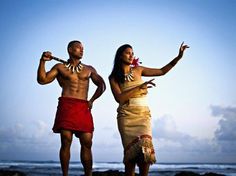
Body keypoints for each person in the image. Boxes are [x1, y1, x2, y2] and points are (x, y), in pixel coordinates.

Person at [109, 42, 189, 176]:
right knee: (130, 157)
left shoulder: (139, 70)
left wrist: (178, 57)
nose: (131, 55)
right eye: (128, 53)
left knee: (145, 152)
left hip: (143, 115)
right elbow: (119, 98)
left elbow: (162, 71)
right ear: (120, 55)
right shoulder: (113, 77)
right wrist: (139, 88)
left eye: (132, 53)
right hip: (126, 116)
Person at [37, 40, 106, 176]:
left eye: (83, 48)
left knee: (87, 142)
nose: (82, 50)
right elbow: (42, 80)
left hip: (83, 106)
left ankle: (88, 174)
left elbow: (102, 85)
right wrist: (43, 61)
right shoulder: (60, 67)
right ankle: (65, 175)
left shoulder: (89, 69)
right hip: (67, 105)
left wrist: (91, 100)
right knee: (66, 140)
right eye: (78, 48)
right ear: (70, 49)